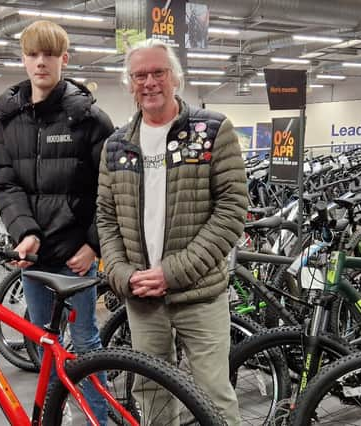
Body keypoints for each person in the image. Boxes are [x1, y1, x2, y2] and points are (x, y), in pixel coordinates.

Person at [96, 39, 247, 425]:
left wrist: (172, 272)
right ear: (129, 83)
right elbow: (106, 218)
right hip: (142, 297)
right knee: (150, 393)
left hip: (199, 294)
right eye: (139, 75)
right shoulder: (116, 145)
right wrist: (123, 276)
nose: (149, 82)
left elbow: (231, 210)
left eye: (158, 72)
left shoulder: (212, 130)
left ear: (175, 77)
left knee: (213, 393)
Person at [0, 20, 114, 425]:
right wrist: (23, 232)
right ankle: (59, 412)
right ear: (23, 59)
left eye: (49, 54)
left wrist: (92, 244)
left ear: (64, 58)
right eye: (32, 54)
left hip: (76, 258)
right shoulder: (7, 118)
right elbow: (4, 183)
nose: (40, 62)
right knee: (43, 341)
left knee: (86, 345)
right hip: (34, 257)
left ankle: (98, 418)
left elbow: (110, 189)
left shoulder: (90, 117)